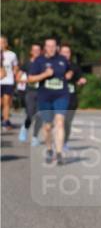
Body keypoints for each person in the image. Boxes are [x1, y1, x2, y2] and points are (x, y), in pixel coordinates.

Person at [26, 37, 70, 165]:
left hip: (61, 95)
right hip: (44, 97)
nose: (50, 48)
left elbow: (70, 69)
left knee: (60, 122)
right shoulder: (39, 61)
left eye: (53, 46)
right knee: (47, 126)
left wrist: (71, 74)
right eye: (48, 46)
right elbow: (31, 79)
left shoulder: (62, 60)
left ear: (57, 47)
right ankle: (50, 149)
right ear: (45, 47)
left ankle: (59, 153)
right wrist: (45, 75)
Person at [60, 44, 86, 153]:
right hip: (58, 97)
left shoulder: (74, 66)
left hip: (71, 97)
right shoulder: (55, 65)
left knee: (67, 122)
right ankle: (58, 141)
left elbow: (80, 78)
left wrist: (81, 81)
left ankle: (64, 142)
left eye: (68, 52)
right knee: (59, 120)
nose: (66, 54)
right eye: (64, 52)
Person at [1, 35, 18, 130]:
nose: (1, 45)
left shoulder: (12, 55)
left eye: (2, 42)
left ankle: (5, 121)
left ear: (6, 44)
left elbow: (15, 66)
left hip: (8, 81)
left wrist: (15, 73)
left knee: (6, 102)